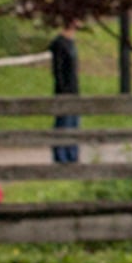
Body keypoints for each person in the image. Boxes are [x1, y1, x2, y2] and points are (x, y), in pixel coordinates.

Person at [49, 22, 85, 166]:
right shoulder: (60, 44)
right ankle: (61, 155)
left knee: (74, 123)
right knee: (64, 123)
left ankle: (72, 154)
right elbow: (58, 71)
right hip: (65, 91)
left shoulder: (71, 43)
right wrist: (63, 91)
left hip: (74, 90)